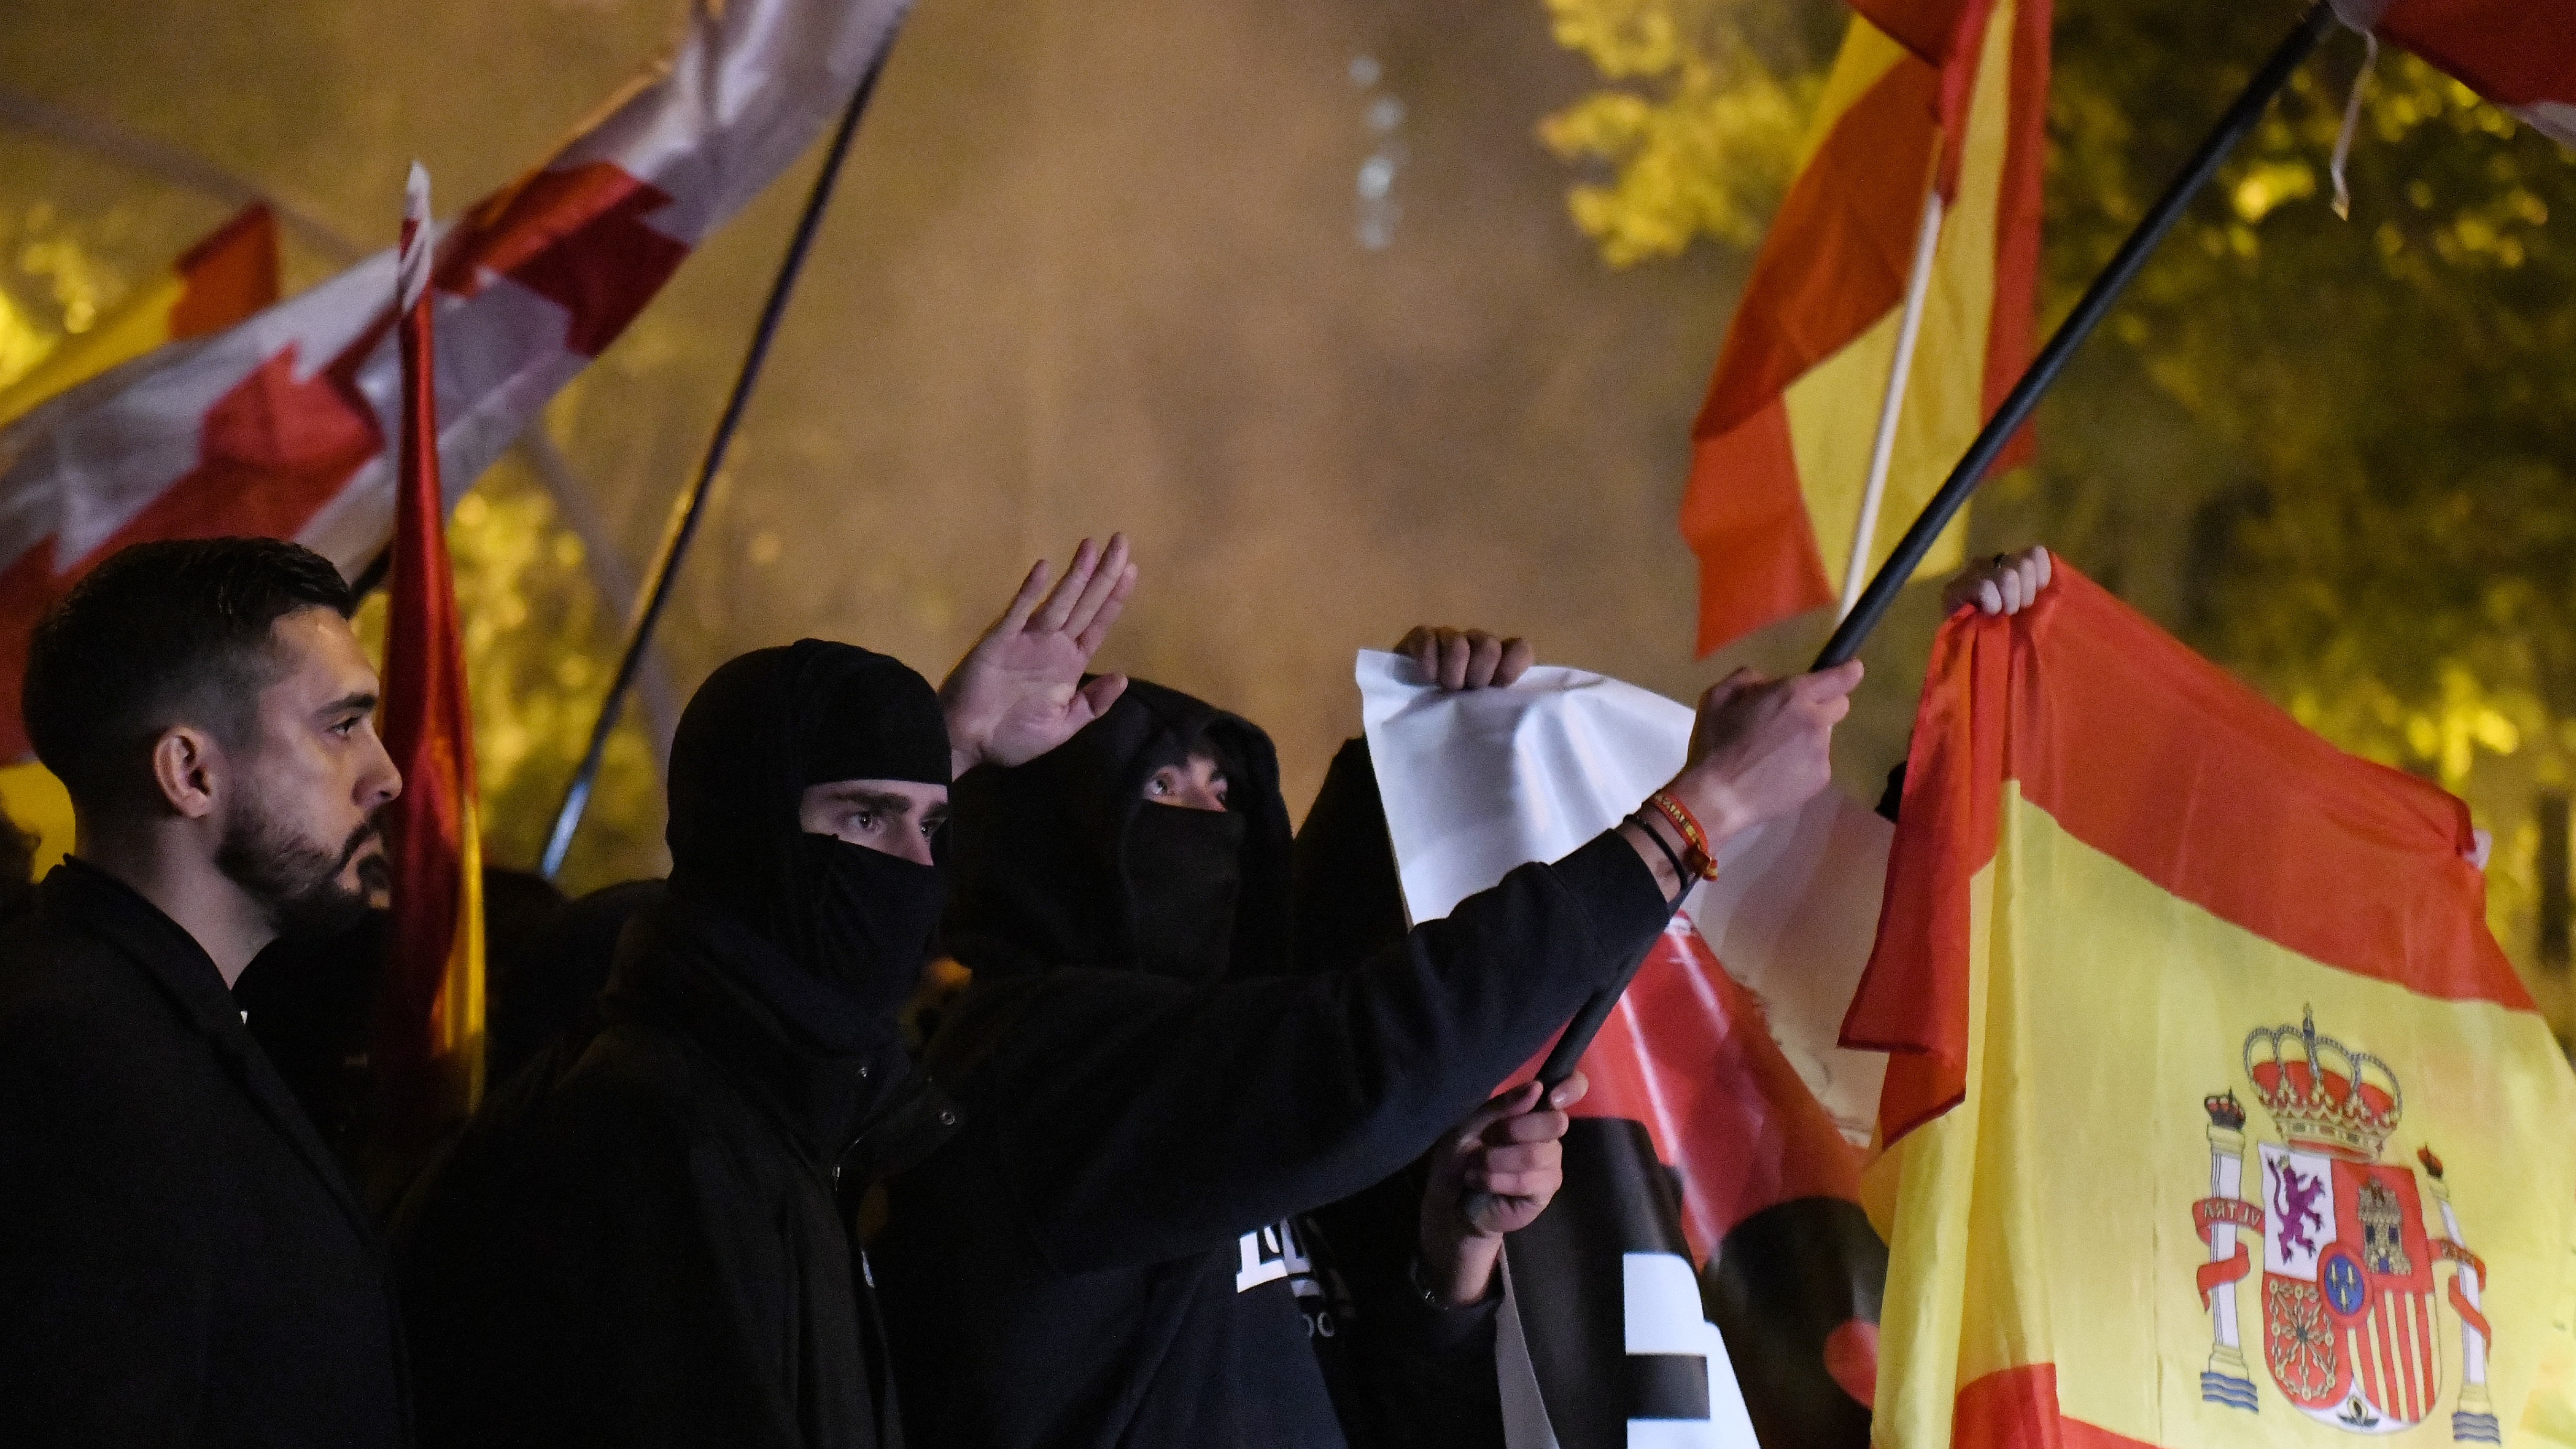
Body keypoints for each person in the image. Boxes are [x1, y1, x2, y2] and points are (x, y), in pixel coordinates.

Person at [875, 631, 1863, 1448]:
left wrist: (1450, 1261)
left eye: (1229, 793)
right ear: (1052, 828)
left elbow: (1406, 1426)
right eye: (1161, 786)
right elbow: (1376, 1053)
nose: (1209, 819)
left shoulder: (1242, 1115)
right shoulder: (1033, 1060)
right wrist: (1699, 817)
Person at [391, 538, 1137, 1449]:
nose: (916, 867)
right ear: (748, 833)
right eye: (867, 818)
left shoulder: (782, 1108)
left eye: (935, 825)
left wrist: (946, 744)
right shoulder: (651, 1136)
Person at [0, 536, 409, 1448]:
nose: (387, 775)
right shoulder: (78, 1057)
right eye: (342, 726)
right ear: (190, 772)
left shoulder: (153, 1019)